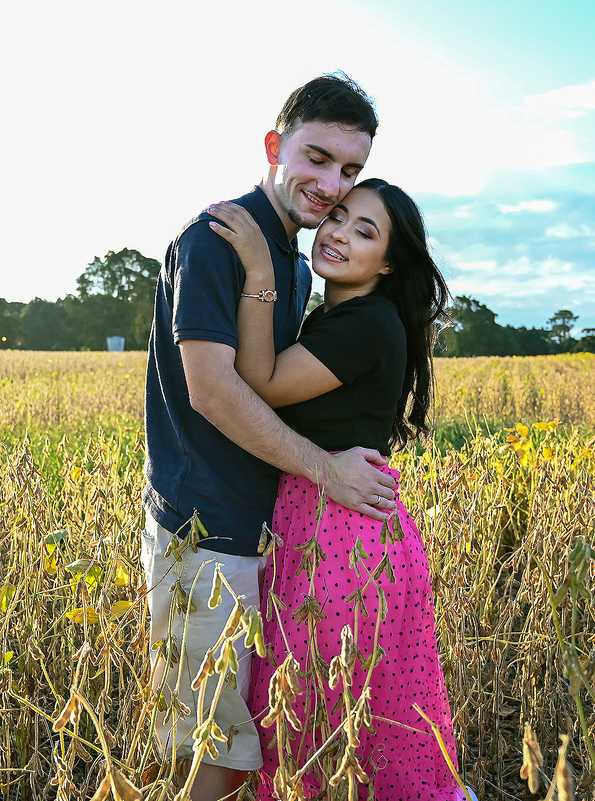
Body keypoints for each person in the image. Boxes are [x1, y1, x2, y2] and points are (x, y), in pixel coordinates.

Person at [142, 75, 396, 801]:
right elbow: (215, 391)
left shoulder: (291, 259)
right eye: (316, 158)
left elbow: (271, 381)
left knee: (238, 742)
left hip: (263, 536)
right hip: (206, 530)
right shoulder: (216, 239)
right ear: (274, 145)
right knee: (212, 753)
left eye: (349, 169)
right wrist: (328, 471)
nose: (331, 185)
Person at [206, 179, 463, 800]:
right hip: (339, 529)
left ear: (389, 263)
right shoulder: (342, 317)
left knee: (317, 720)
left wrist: (260, 273)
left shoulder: (367, 323)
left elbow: (262, 382)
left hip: (343, 541)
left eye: (364, 232)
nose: (339, 234)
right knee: (350, 720)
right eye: (339, 217)